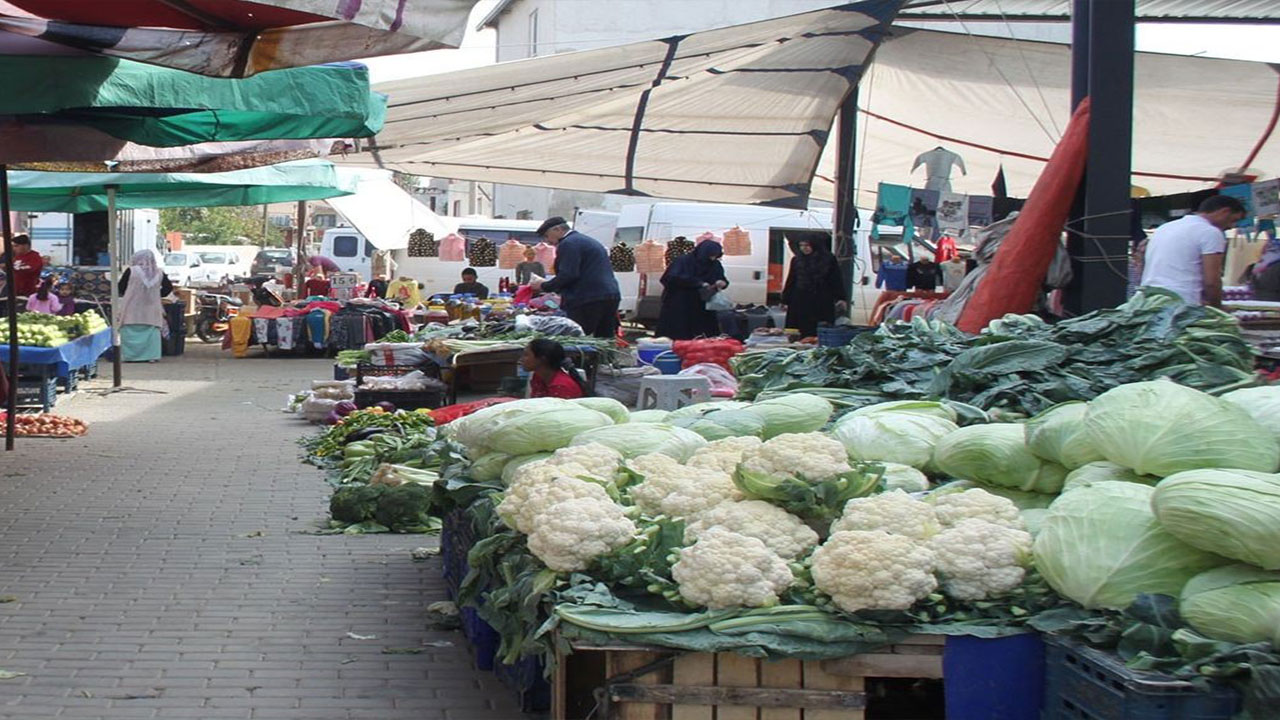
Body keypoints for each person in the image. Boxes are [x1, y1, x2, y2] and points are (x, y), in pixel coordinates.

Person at [1140, 194, 1246, 308]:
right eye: (1233, 220)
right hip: (1181, 303)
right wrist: (1217, 309)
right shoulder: (1210, 232)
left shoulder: (1165, 228)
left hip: (1148, 299)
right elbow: (1212, 282)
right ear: (1225, 212)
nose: (1231, 226)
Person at [529, 217, 621, 339]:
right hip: (610, 294)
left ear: (557, 229)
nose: (547, 241)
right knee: (604, 337)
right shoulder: (584, 240)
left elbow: (569, 274)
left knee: (577, 336)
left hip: (588, 297)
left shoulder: (568, 243)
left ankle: (582, 358)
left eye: (547, 236)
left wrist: (543, 285)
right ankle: (605, 358)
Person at [657, 239, 727, 339]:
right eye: (710, 255)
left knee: (704, 335)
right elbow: (670, 278)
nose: (712, 258)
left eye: (715, 256)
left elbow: (721, 278)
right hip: (680, 303)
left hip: (703, 306)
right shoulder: (683, 261)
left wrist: (722, 283)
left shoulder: (715, 264)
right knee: (678, 333)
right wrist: (698, 283)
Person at [782, 239, 847, 337]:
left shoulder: (828, 259)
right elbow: (791, 280)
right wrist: (785, 300)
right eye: (801, 245)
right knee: (797, 328)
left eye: (807, 245)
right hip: (799, 299)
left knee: (819, 328)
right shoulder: (796, 260)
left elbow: (836, 279)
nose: (804, 248)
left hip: (821, 299)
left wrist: (841, 297)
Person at [116, 250, 173, 362]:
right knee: (151, 331)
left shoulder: (131, 271)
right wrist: (156, 294)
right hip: (152, 308)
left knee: (129, 330)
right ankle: (151, 356)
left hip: (131, 308)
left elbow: (121, 288)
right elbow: (168, 289)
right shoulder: (159, 273)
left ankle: (129, 356)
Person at [521, 338, 587, 399]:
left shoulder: (561, 387)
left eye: (526, 355)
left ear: (543, 359)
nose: (521, 359)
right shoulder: (538, 377)